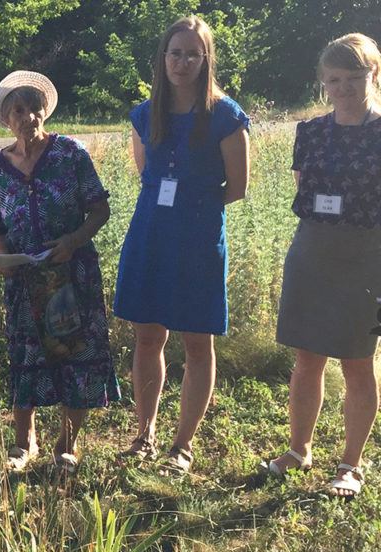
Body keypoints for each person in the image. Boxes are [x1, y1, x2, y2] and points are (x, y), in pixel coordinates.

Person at [113, 16, 250, 476]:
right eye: (175, 52)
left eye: (193, 54)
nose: (182, 61)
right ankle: (144, 434)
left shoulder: (226, 115)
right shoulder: (143, 113)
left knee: (196, 341)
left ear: (205, 59)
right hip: (150, 233)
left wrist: (194, 206)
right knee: (148, 336)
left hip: (197, 238)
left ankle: (182, 445)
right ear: (162, 57)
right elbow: (145, 175)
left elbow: (238, 187)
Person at [0, 71, 119, 473]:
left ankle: (66, 445)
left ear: (45, 111)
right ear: (6, 118)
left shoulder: (70, 153)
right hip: (24, 282)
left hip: (71, 275)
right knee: (26, 357)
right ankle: (24, 444)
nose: (27, 117)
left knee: (73, 355)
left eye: (34, 108)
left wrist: (72, 243)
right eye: (18, 110)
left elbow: (99, 208)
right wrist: (5, 261)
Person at [265, 33, 381, 498]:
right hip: (312, 250)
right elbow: (305, 188)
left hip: (368, 256)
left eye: (355, 78)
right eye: (334, 80)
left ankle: (351, 466)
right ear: (322, 82)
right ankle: (299, 449)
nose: (344, 88)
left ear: (373, 75)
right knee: (306, 357)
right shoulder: (309, 132)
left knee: (357, 362)